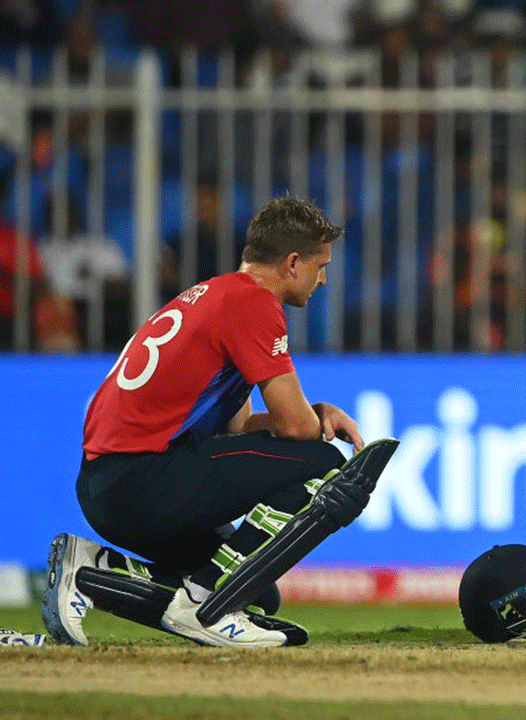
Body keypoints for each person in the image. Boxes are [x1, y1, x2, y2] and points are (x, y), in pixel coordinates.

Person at [42, 197, 398, 648]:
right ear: (292, 262)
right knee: (326, 463)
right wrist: (314, 418)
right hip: (141, 480)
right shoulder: (254, 304)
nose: (324, 278)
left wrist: (313, 413)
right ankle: (204, 604)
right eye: (320, 265)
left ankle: (91, 570)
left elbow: (239, 430)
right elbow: (298, 433)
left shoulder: (216, 294)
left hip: (110, 484)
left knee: (257, 589)